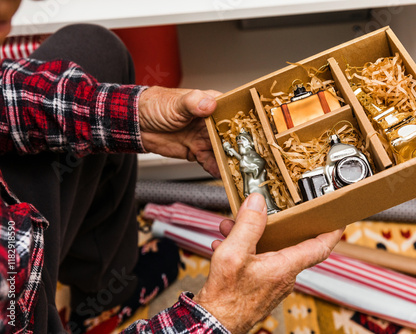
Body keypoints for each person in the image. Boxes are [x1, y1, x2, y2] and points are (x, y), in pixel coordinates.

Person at [0, 1, 344, 333]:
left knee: (97, 48)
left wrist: (132, 115)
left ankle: (103, 294)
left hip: (12, 242)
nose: (10, 30)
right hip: (13, 303)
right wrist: (223, 314)